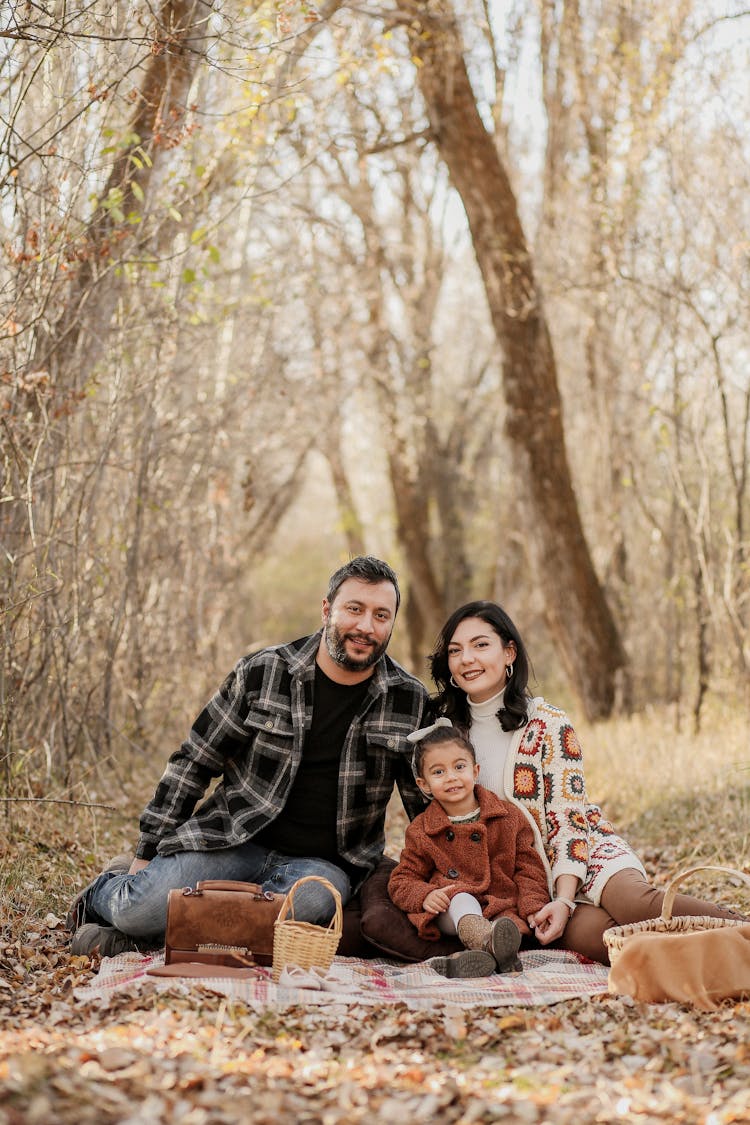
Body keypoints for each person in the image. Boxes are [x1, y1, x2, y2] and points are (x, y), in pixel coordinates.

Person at [68, 556, 429, 958]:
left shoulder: (408, 698)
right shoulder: (263, 672)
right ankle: (114, 889)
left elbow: (425, 801)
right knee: (138, 909)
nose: (366, 627)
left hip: (322, 865)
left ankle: (152, 937)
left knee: (309, 907)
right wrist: (144, 854)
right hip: (232, 839)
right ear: (327, 610)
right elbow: (195, 761)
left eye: (381, 615)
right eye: (355, 609)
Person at [428, 600, 746, 965]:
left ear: (509, 651)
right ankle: (721, 964)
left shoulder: (547, 724)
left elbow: (569, 818)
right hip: (529, 883)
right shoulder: (446, 736)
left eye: (480, 645)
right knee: (608, 941)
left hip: (584, 850)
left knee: (635, 904)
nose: (467, 658)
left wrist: (565, 897)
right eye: (456, 650)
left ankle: (743, 932)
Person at [388, 720, 550, 978]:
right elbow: (401, 880)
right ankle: (487, 942)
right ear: (424, 784)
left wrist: (533, 907)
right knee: (461, 900)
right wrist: (426, 895)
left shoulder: (507, 817)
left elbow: (529, 868)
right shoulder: (423, 830)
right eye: (438, 772)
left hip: (500, 907)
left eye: (459, 767)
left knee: (506, 927)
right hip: (450, 909)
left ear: (475, 771)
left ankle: (471, 960)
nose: (451, 777)